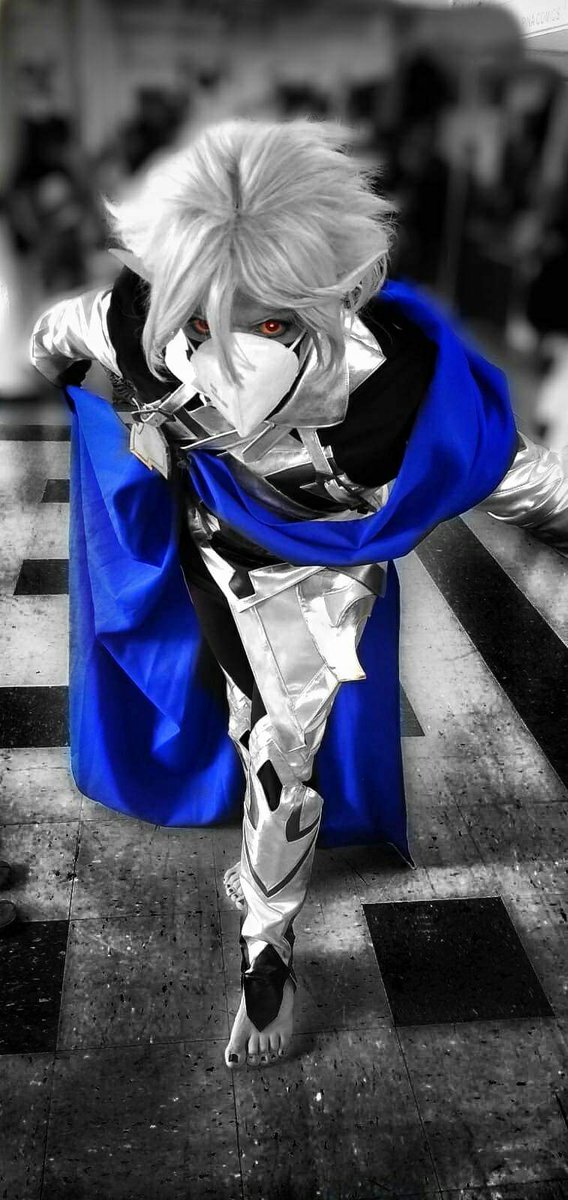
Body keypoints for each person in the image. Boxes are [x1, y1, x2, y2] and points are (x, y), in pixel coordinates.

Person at [29, 118, 568, 1071]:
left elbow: (531, 487)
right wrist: (114, 416)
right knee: (234, 713)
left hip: (317, 581)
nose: (223, 362)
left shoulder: (406, 396)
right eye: (199, 324)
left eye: (269, 324)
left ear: (331, 301)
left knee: (282, 754)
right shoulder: (139, 320)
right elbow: (59, 337)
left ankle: (267, 951)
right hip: (211, 545)